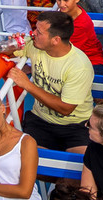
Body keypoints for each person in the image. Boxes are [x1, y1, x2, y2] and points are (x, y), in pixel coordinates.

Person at [8, 11, 95, 155]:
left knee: (77, 169)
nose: (32, 33)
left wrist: (27, 85)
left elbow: (66, 109)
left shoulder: (79, 66)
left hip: (77, 125)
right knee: (36, 167)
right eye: (35, 28)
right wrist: (9, 44)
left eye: (39, 32)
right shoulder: (33, 45)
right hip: (40, 121)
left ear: (55, 40)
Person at [53, 0, 103, 69]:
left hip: (92, 63)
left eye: (66, 1)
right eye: (58, 0)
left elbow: (64, 50)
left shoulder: (82, 24)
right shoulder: (65, 12)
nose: (61, 4)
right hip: (76, 60)